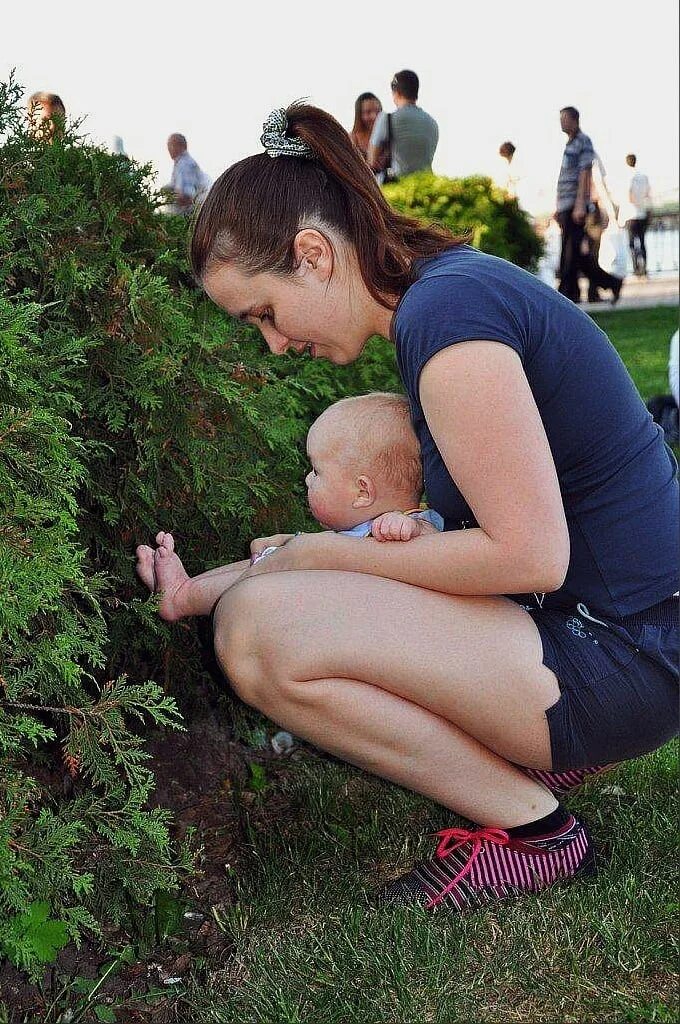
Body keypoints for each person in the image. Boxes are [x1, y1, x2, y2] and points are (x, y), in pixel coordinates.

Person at [145, 102, 678, 915]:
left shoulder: (446, 316)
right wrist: (313, 560)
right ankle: (532, 766)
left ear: (313, 255)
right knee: (284, 595)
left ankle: (536, 832)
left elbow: (530, 557)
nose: (274, 344)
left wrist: (320, 557)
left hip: (627, 655)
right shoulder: (444, 297)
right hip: (619, 635)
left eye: (264, 314)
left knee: (257, 634)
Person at [136, 392, 443, 620]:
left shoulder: (414, 522)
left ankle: (182, 598)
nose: (308, 480)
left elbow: (434, 551)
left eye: (317, 472)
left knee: (267, 569)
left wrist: (408, 527)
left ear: (362, 492)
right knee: (265, 559)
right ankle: (186, 584)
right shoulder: (357, 531)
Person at [554, 107, 623, 304]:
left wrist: (579, 205)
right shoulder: (570, 144)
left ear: (575, 120)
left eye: (564, 119)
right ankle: (607, 284)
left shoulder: (583, 142)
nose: (562, 123)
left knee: (570, 252)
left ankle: (567, 292)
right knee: (574, 254)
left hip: (575, 206)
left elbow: (585, 174)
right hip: (565, 205)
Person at [367, 70, 438, 182]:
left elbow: (371, 160)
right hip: (425, 185)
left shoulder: (386, 118)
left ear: (397, 93)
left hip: (396, 186)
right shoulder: (432, 122)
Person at [618, 154, 653, 276]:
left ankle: (636, 268)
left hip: (630, 214)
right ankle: (644, 268)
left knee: (632, 243)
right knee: (642, 241)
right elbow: (648, 193)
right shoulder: (644, 177)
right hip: (642, 214)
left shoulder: (627, 177)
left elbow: (629, 195)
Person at [165, 133, 211, 215]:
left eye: (171, 145)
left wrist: (170, 196)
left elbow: (188, 195)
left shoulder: (184, 164)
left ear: (182, 146)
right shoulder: (182, 163)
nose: (168, 149)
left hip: (190, 213)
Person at [349, 92, 383, 167]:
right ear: (359, 114)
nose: (374, 116)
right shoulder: (352, 139)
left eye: (377, 111)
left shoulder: (388, 135)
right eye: (368, 112)